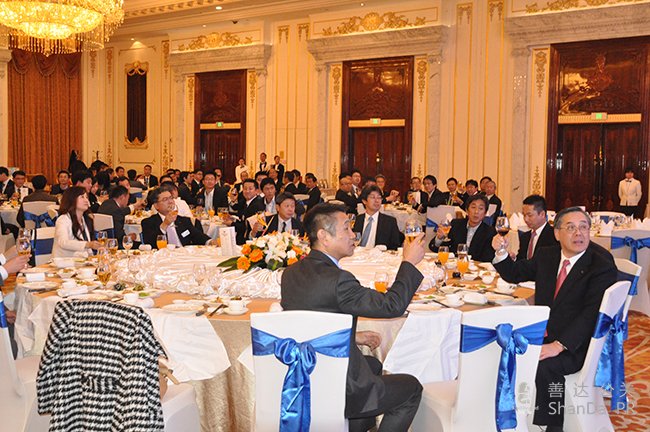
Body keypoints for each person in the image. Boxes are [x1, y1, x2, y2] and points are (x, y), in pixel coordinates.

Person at [281, 203, 425, 431]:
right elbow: (392, 306)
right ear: (324, 237)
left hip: (306, 374)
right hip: (338, 385)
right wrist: (408, 263)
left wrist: (354, 336)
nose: (353, 235)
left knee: (373, 364)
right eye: (346, 228)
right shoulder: (339, 280)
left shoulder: (291, 273)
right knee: (412, 388)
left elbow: (311, 317)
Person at [491, 207, 617, 432]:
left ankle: (553, 425)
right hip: (546, 331)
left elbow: (590, 315)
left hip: (578, 343)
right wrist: (500, 252)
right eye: (571, 227)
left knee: (546, 366)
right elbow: (515, 273)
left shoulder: (600, 265)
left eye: (584, 227)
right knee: (502, 346)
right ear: (557, 233)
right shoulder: (547, 255)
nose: (579, 233)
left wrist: (558, 346)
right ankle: (510, 414)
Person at [430, 194, 496, 262]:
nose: (476, 212)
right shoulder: (456, 225)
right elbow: (436, 249)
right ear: (467, 210)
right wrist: (439, 238)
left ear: (485, 213)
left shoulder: (490, 232)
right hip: (455, 266)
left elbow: (487, 258)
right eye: (473, 207)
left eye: (481, 208)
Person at [141, 188, 217, 248]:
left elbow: (198, 236)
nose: (170, 201)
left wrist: (210, 241)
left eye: (171, 198)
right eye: (165, 199)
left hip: (184, 256)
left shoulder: (184, 220)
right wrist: (165, 224)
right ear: (156, 206)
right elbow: (150, 243)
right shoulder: (148, 222)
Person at [53, 187, 103, 257]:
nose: (86, 200)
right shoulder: (63, 220)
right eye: (82, 197)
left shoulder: (86, 219)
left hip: (81, 261)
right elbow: (63, 242)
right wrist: (88, 244)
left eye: (86, 197)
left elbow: (88, 247)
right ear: (72, 199)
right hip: (64, 261)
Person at [353, 186, 402, 250]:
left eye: (379, 197)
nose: (377, 201)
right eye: (372, 197)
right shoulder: (359, 219)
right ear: (364, 201)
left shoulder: (390, 222)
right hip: (359, 254)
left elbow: (395, 247)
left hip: (379, 255)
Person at [516, 194, 557, 261]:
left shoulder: (554, 236)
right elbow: (520, 261)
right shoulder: (525, 237)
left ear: (542, 214)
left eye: (529, 215)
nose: (526, 219)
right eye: (524, 215)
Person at [228, 179, 265, 244]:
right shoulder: (246, 202)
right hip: (241, 237)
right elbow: (242, 218)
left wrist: (231, 223)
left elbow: (247, 227)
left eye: (250, 189)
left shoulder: (257, 205)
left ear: (256, 191)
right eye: (245, 189)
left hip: (249, 241)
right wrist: (234, 219)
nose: (247, 191)